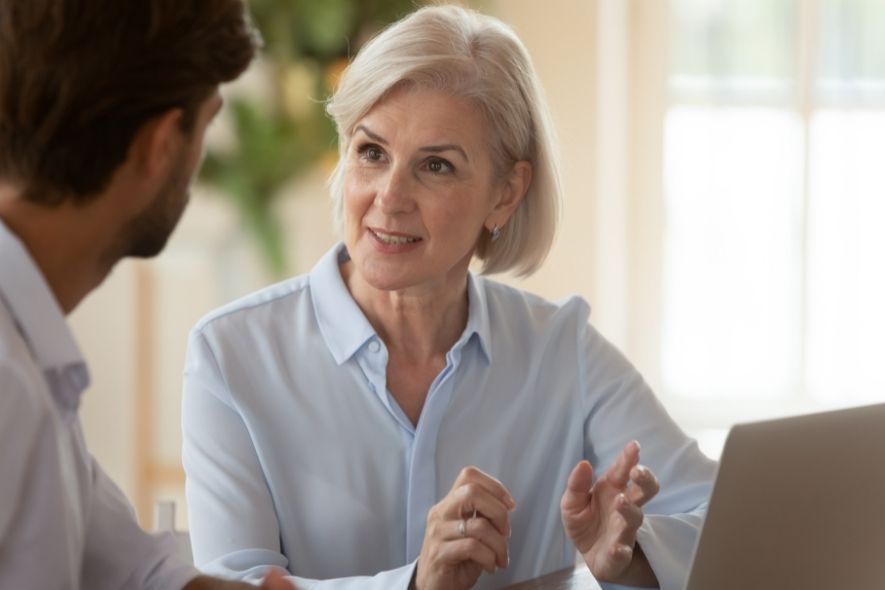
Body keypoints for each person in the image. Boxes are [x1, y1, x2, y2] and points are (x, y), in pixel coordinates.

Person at [182, 5, 716, 590]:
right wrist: (413, 584)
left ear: (505, 194)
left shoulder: (563, 351)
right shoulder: (230, 354)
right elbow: (233, 584)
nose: (389, 197)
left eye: (435, 165)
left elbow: (717, 516)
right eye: (371, 152)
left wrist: (627, 556)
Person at [0, 1, 297, 589]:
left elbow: (135, 569)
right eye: (206, 124)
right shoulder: (8, 382)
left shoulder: (33, 360)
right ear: (160, 146)